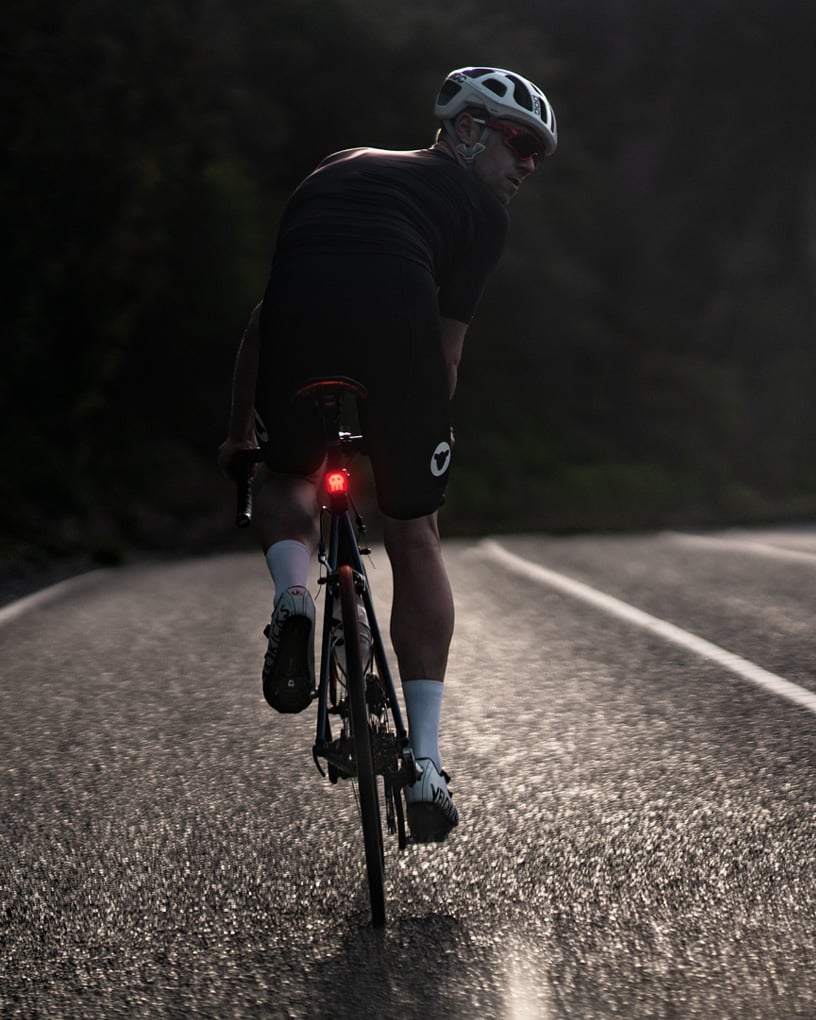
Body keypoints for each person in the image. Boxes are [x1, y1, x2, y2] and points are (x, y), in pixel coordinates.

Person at [219, 67, 557, 842]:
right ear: (465, 129)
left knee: (289, 474)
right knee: (414, 534)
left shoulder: (337, 167)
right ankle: (428, 765)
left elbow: (264, 320)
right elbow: (444, 352)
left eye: (538, 155)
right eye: (518, 142)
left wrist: (240, 430)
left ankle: (293, 596)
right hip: (396, 336)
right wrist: (427, 432)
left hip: (297, 326)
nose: (527, 164)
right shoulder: (481, 212)